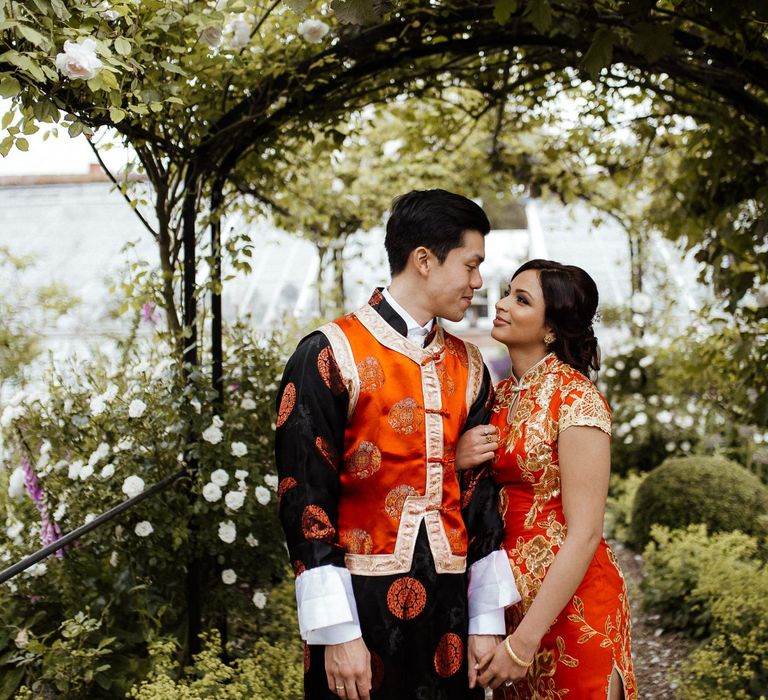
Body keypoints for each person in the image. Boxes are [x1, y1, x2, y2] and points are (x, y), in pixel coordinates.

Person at [274, 189, 520, 700]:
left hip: (450, 606)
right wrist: (337, 635)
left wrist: (486, 621)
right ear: (424, 260)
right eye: (471, 265)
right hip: (359, 604)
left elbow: (480, 499)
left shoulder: (470, 366)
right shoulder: (329, 352)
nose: (479, 283)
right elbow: (304, 500)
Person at [457, 259, 638, 699]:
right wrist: (458, 459)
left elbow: (586, 532)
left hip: (574, 607)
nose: (499, 304)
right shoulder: (498, 397)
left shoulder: (579, 400)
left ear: (551, 329)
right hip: (510, 604)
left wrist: (523, 643)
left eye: (520, 299)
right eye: (506, 292)